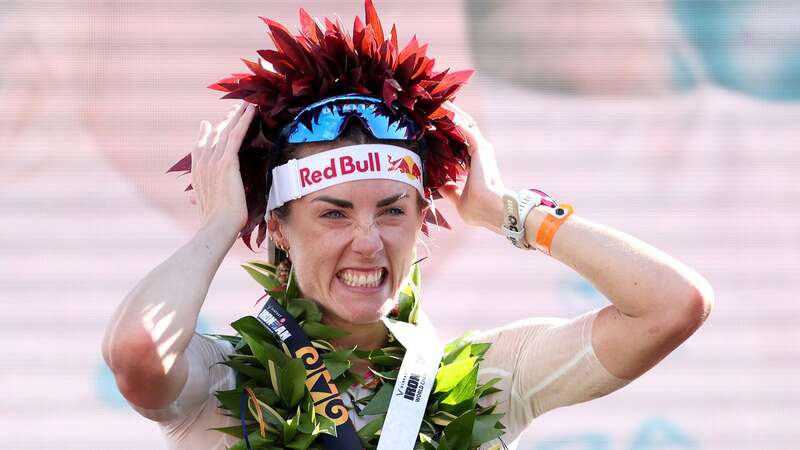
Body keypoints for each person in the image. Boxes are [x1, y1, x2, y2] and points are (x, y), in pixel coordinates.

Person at [101, 2, 714, 449]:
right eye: (333, 212)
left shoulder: (486, 382)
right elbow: (136, 353)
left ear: (425, 218)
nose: (367, 240)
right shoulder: (218, 381)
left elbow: (673, 305)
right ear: (280, 228)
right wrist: (220, 224)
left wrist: (506, 209)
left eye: (392, 209)